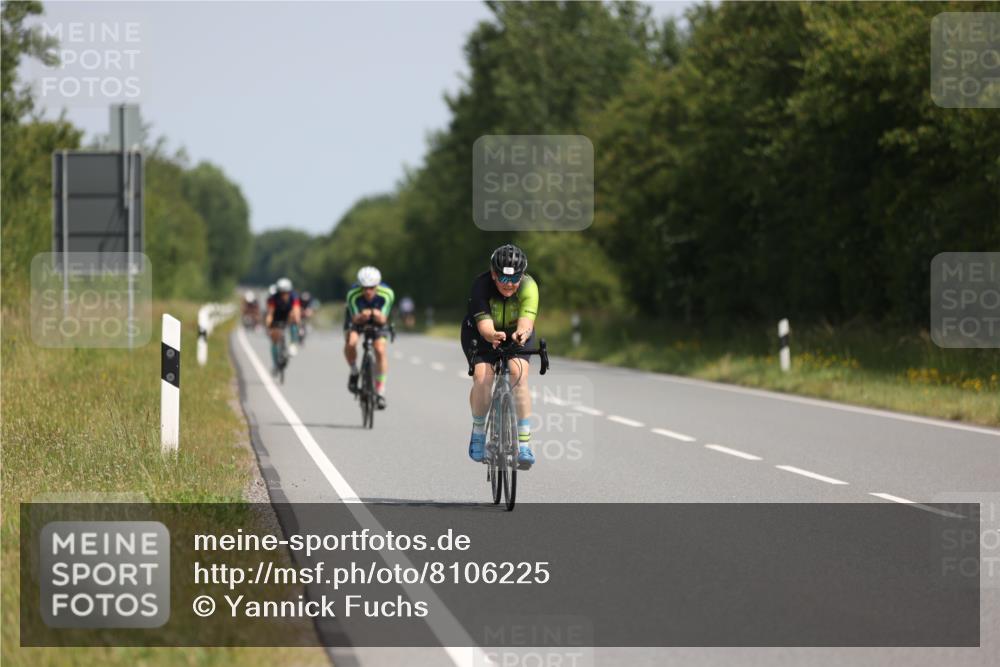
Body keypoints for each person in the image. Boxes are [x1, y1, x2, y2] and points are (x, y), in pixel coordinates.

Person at [461, 243, 538, 469]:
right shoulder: (481, 286)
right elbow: (485, 326)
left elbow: (526, 321)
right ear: (493, 274)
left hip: (516, 334)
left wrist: (522, 334)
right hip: (480, 332)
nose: (509, 284)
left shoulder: (529, 287)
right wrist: (491, 334)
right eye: (503, 279)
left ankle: (524, 443)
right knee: (483, 377)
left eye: (514, 278)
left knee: (518, 375)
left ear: (522, 275)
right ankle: (477, 432)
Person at [344, 266, 395, 409]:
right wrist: (361, 316)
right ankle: (354, 371)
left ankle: (380, 390)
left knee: (379, 349)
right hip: (357, 319)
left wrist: (374, 314)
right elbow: (354, 319)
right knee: (351, 342)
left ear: (377, 285)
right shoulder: (352, 294)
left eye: (371, 288)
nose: (368, 291)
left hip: (378, 322)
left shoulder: (388, 293)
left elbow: (383, 319)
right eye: (364, 288)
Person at [265, 277, 301, 374]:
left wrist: (297, 320)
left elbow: (296, 309)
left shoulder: (294, 296)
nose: (284, 295)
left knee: (294, 319)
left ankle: (293, 343)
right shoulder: (273, 298)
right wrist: (269, 324)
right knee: (274, 338)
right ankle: (275, 363)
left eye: (286, 292)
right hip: (277, 316)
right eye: (281, 292)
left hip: (288, 315)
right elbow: (270, 313)